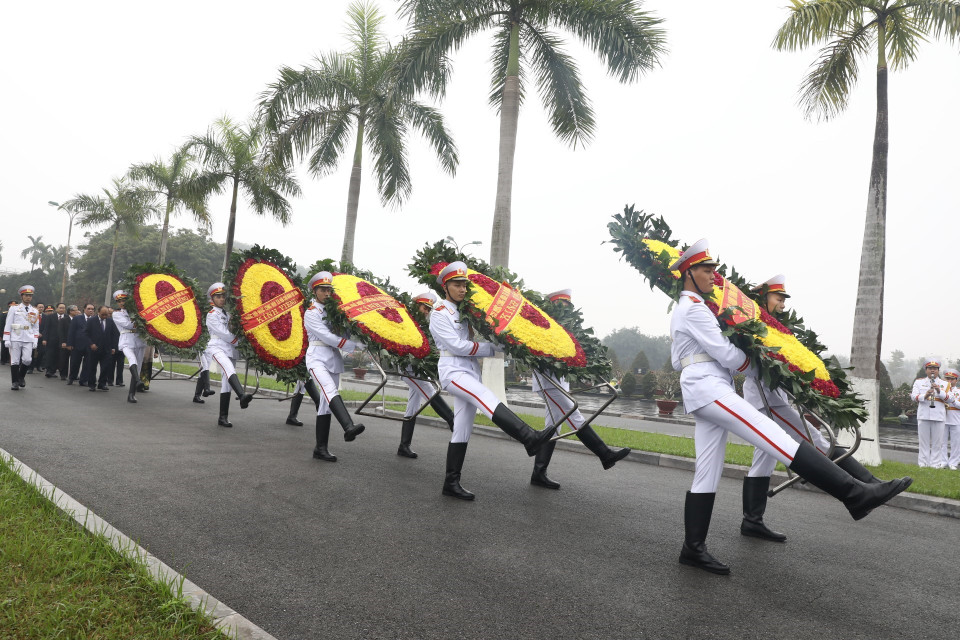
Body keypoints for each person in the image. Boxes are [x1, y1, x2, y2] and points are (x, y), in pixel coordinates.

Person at [668, 239, 911, 575]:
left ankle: (692, 548)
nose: (713, 275)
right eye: (706, 270)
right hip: (708, 386)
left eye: (712, 269)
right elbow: (725, 353)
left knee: (707, 469)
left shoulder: (694, 306)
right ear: (689, 272)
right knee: (775, 437)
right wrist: (763, 365)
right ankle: (854, 493)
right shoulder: (694, 307)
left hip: (709, 384)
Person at [739, 275, 889, 542]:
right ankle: (868, 483)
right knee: (816, 439)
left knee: (764, 458)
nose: (783, 304)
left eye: (784, 299)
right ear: (763, 298)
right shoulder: (752, 325)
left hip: (773, 399)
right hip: (766, 401)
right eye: (779, 298)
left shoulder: (775, 327)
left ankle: (752, 520)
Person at [429, 262, 555, 500]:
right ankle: (528, 437)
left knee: (462, 429)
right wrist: (492, 349)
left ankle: (451, 482)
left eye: (464, 285)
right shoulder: (439, 314)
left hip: (469, 370)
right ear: (445, 287)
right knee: (486, 397)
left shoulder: (465, 311)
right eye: (456, 285)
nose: (462, 289)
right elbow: (457, 346)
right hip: (452, 370)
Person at [528, 289, 631, 489]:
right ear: (552, 307)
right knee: (573, 414)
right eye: (561, 306)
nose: (566, 310)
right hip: (548, 383)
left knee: (553, 427)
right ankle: (605, 454)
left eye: (568, 306)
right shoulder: (544, 326)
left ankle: (538, 473)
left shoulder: (566, 329)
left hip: (559, 382)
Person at [303, 272, 366, 460]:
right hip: (317, 358)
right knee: (330, 389)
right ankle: (348, 426)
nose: (327, 293)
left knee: (325, 404)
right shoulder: (311, 313)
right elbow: (327, 337)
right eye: (323, 290)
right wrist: (352, 346)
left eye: (329, 290)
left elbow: (344, 332)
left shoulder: (335, 311)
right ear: (315, 292)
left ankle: (320, 448)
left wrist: (355, 328)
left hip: (333, 359)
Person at [395, 290, 457, 459]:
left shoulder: (428, 324)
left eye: (429, 308)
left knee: (413, 405)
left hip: (419, 369)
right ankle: (452, 420)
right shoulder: (406, 321)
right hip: (408, 369)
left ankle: (404, 445)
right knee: (430, 391)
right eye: (424, 307)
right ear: (417, 305)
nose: (426, 311)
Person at [203, 282, 253, 427]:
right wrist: (239, 342)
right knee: (228, 368)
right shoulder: (212, 315)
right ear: (212, 299)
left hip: (230, 348)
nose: (221, 299)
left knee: (226, 383)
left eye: (223, 296)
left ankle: (222, 417)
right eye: (218, 297)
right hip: (216, 347)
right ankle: (242, 395)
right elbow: (223, 333)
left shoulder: (229, 314)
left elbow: (234, 330)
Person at [111, 291, 149, 404]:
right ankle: (138, 380)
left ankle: (131, 394)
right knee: (132, 359)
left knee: (138, 366)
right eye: (119, 301)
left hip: (139, 339)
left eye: (124, 300)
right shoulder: (117, 313)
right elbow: (129, 325)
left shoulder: (137, 311)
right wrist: (140, 318)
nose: (122, 303)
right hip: (126, 339)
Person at [912, 358, 948, 468]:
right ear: (926, 370)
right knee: (924, 442)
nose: (932, 371)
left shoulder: (945, 384)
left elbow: (949, 398)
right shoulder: (919, 382)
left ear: (938, 370)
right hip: (924, 415)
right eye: (930, 368)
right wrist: (926, 395)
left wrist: (938, 391)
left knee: (938, 443)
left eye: (935, 369)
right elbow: (914, 396)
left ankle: (935, 465)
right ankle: (923, 464)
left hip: (939, 416)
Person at [3, 286, 40, 390]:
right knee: (14, 361)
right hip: (16, 336)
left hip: (28, 337)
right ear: (22, 296)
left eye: (30, 296)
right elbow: (8, 323)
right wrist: (7, 338)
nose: (28, 297)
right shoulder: (14, 308)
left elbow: (36, 327)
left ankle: (21, 377)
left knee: (27, 360)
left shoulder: (35, 311)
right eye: (26, 295)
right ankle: (14, 382)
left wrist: (35, 339)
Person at [84, 305, 119, 391]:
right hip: (94, 349)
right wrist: (91, 344)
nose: (105, 316)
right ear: (98, 312)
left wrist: (114, 347)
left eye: (106, 314)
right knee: (92, 367)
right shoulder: (92, 320)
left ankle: (102, 383)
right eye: (103, 314)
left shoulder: (110, 321)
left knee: (106, 367)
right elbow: (86, 334)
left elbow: (115, 335)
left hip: (106, 349)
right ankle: (92, 384)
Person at [66, 304, 94, 385]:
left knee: (87, 363)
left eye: (92, 309)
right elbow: (71, 331)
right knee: (75, 362)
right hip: (77, 344)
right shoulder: (77, 318)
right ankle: (72, 377)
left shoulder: (94, 319)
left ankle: (83, 380)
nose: (90, 310)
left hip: (90, 345)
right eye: (89, 309)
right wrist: (69, 343)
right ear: (84, 309)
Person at [41, 303, 70, 379]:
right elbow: (46, 328)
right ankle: (49, 371)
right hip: (52, 339)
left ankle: (61, 373)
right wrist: (45, 339)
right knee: (51, 355)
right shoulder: (50, 317)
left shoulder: (67, 317)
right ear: (56, 309)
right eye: (60, 308)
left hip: (63, 341)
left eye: (63, 308)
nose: (62, 309)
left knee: (61, 357)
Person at [941, 368, 960, 470]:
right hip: (943, 418)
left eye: (952, 379)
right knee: (942, 442)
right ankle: (943, 461)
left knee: (956, 443)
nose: (949, 381)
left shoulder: (959, 391)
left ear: (956, 380)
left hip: (956, 419)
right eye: (947, 379)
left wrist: (952, 401)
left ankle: (953, 462)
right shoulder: (941, 390)